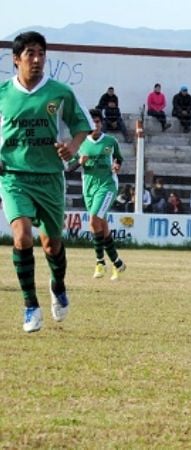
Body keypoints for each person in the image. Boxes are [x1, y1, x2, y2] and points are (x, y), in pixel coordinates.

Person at [0, 31, 93, 332]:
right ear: (16, 59)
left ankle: (58, 286)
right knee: (22, 236)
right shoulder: (3, 94)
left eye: (41, 53)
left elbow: (83, 127)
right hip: (13, 175)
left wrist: (73, 146)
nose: (37, 59)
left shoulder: (60, 92)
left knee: (52, 244)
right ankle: (30, 306)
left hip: (51, 177)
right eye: (30, 53)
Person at [69, 109, 127, 281]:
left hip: (107, 185)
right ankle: (117, 263)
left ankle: (100, 262)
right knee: (101, 224)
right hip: (89, 189)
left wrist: (117, 166)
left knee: (93, 219)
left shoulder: (110, 141)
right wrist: (79, 162)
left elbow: (119, 158)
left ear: (101, 123)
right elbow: (69, 167)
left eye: (98, 122)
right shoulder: (81, 143)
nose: (96, 125)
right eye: (92, 122)